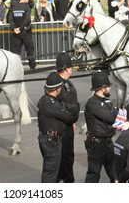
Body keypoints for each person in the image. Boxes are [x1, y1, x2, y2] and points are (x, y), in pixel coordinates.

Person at [37, 71, 74, 183]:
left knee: (51, 170)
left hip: (47, 139)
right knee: (50, 173)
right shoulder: (51, 104)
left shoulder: (44, 99)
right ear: (58, 89)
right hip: (51, 141)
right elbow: (69, 116)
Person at [84, 71, 118, 183]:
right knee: (94, 174)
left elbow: (114, 113)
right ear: (103, 88)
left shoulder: (106, 101)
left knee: (115, 173)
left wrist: (114, 112)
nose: (110, 89)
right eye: (108, 86)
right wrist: (114, 112)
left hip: (108, 142)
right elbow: (111, 117)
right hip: (96, 144)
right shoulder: (92, 103)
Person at [55, 52, 80, 183]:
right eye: (70, 67)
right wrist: (70, 118)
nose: (72, 69)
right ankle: (62, 179)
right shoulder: (57, 84)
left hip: (68, 125)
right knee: (62, 156)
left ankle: (67, 178)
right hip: (62, 126)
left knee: (68, 155)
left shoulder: (66, 82)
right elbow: (58, 107)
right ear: (66, 69)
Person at [8, 0, 36, 70]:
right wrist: (20, 28)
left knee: (16, 52)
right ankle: (32, 66)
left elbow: (10, 19)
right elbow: (27, 20)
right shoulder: (26, 8)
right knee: (29, 49)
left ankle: (15, 67)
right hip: (25, 31)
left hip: (16, 33)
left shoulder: (13, 8)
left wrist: (14, 29)